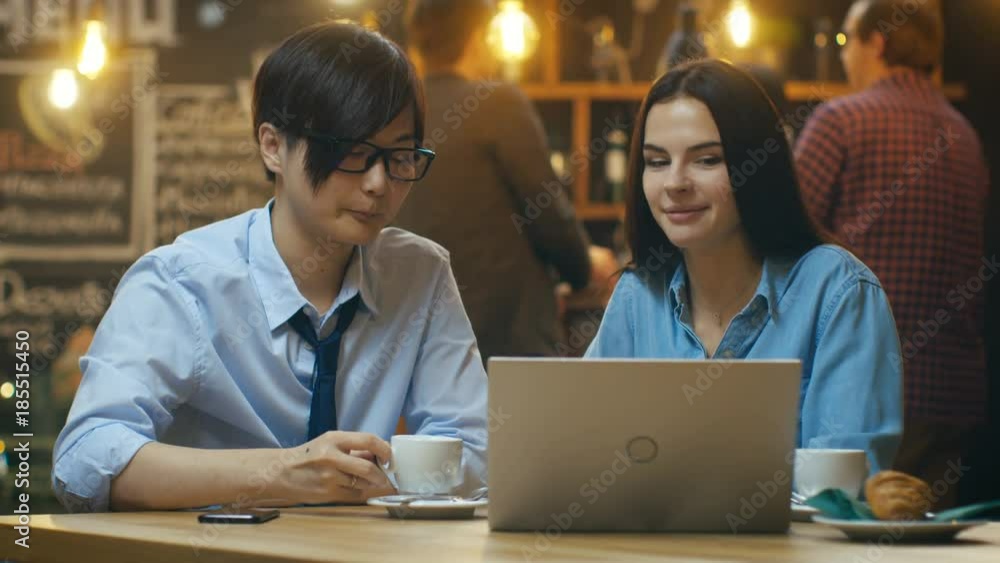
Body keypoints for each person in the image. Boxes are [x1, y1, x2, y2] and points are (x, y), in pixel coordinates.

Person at [52, 22, 488, 513]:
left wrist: (365, 480)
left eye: (399, 156)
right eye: (353, 153)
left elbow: (476, 450)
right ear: (273, 146)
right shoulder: (182, 282)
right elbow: (85, 459)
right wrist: (282, 474)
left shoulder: (420, 275)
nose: (378, 184)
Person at [585, 59, 903, 473]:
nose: (675, 183)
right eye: (657, 162)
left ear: (758, 166)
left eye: (707, 160)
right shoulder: (637, 296)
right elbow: (585, 455)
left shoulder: (837, 292)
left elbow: (838, 491)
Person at [795, 0, 989, 508]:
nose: (843, 56)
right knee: (933, 537)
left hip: (859, 397)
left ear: (877, 42)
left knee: (846, 536)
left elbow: (784, 241)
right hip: (952, 397)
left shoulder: (839, 122)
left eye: (847, 41)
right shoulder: (967, 137)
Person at [397, 0, 593, 361]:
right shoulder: (497, 103)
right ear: (477, 39)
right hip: (505, 348)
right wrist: (583, 269)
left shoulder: (395, 110)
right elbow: (550, 216)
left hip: (413, 345)